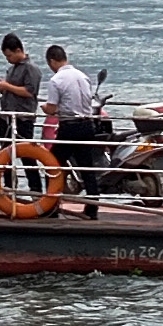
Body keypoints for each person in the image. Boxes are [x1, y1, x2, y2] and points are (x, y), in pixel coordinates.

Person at [38, 44, 110, 220]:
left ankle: (51, 205)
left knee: (53, 164)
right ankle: (92, 208)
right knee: (86, 167)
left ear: (52, 61)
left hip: (69, 126)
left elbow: (52, 108)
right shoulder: (83, 77)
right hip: (87, 126)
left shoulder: (56, 80)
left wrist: (43, 107)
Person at [0, 34, 43, 143]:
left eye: (9, 56)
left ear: (18, 51)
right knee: (5, 150)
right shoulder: (12, 69)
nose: (8, 59)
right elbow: (10, 90)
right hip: (6, 116)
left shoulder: (31, 69)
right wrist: (0, 86)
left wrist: (7, 86)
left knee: (26, 154)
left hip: (22, 118)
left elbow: (29, 92)